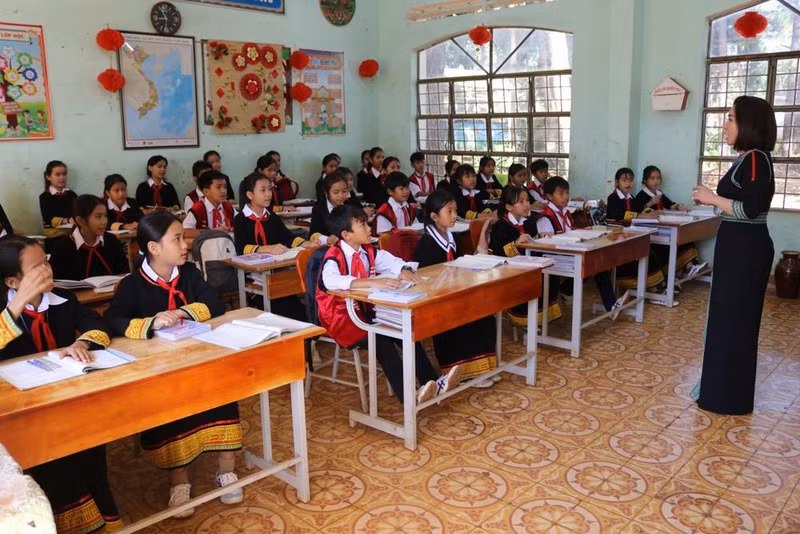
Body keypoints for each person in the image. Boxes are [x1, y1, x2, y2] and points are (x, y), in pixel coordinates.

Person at [105, 212, 243, 515]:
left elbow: (215, 302)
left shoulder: (190, 274)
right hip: (161, 370)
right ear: (154, 248)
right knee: (169, 405)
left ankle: (226, 469)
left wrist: (181, 313)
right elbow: (114, 320)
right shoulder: (132, 284)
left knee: (225, 389)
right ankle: (179, 481)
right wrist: (151, 322)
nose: (185, 245)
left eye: (184, 237)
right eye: (177, 239)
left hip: (200, 359)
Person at [0, 235, 123, 532]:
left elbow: (97, 323)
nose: (47, 271)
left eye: (47, 262)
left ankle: (105, 512)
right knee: (51, 466)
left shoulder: (63, 299)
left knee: (91, 454)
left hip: (70, 398)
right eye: (37, 269)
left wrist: (81, 342)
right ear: (13, 282)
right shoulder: (5, 312)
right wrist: (16, 306)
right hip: (25, 408)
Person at [317, 204, 463, 403]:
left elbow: (391, 261)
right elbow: (330, 281)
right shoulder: (334, 256)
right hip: (341, 318)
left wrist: (403, 269)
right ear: (346, 235)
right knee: (382, 340)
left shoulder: (368, 250)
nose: (370, 229)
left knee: (403, 329)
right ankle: (409, 396)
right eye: (362, 225)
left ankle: (433, 383)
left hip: (366, 311)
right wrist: (370, 281)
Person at [690, 95, 776, 415]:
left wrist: (712, 198)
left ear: (748, 125)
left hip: (745, 251)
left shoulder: (756, 158)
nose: (725, 125)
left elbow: (751, 209)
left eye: (730, 118)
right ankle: (719, 393)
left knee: (734, 323)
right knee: (726, 321)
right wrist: (712, 200)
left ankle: (728, 398)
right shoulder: (747, 158)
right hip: (737, 247)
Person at [416, 190, 498, 386]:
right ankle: (463, 372)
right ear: (435, 217)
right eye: (449, 211)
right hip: (438, 298)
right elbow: (425, 278)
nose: (455, 216)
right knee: (463, 319)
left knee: (485, 314)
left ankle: (482, 368)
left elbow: (460, 264)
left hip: (456, 292)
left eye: (455, 211)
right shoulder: (427, 243)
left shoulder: (452, 238)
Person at [539, 177, 631, 320]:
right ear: (549, 196)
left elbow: (572, 233)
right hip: (554, 258)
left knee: (596, 261)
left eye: (567, 193)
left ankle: (568, 290)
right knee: (594, 264)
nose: (565, 197)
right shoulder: (545, 218)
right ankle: (611, 304)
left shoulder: (567, 214)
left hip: (570, 253)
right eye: (561, 193)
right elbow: (546, 245)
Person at [491, 185, 562, 325]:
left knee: (551, 272)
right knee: (534, 277)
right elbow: (497, 253)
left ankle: (541, 315)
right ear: (509, 207)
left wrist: (539, 236)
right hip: (509, 272)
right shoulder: (501, 226)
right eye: (521, 202)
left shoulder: (530, 222)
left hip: (527, 264)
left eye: (527, 200)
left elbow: (531, 243)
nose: (526, 205)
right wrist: (515, 244)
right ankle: (525, 316)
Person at [636, 165, 708, 280]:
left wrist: (679, 207)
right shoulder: (641, 195)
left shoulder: (659, 193)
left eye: (658, 178)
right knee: (679, 240)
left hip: (666, 228)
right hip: (653, 231)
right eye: (652, 178)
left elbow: (670, 204)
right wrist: (650, 203)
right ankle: (686, 268)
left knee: (685, 237)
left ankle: (689, 267)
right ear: (645, 180)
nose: (656, 181)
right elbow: (638, 212)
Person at [605, 169, 668, 295]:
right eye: (624, 180)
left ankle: (655, 284)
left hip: (631, 234)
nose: (628, 183)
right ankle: (650, 285)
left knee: (649, 250)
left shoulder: (631, 197)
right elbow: (618, 215)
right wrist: (641, 216)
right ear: (617, 182)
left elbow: (639, 210)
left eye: (630, 180)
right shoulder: (613, 197)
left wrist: (651, 213)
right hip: (617, 237)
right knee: (643, 251)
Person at [49, 195, 129, 281]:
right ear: (81, 221)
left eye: (105, 216)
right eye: (98, 217)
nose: (105, 221)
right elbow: (57, 282)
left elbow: (124, 273)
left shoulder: (112, 241)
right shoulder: (62, 247)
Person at [310, 171, 348, 244]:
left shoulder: (350, 205)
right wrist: (327, 239)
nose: (341, 196)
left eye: (344, 191)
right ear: (326, 193)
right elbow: (313, 234)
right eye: (336, 192)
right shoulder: (319, 209)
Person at [39, 160, 77, 228]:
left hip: (73, 231)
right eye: (57, 174)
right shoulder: (45, 197)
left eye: (64, 174)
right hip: (55, 234)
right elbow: (48, 220)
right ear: (48, 177)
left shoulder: (72, 194)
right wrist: (67, 220)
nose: (62, 177)